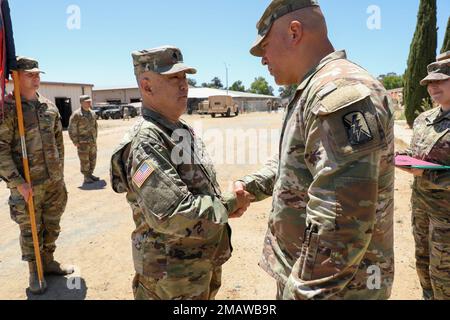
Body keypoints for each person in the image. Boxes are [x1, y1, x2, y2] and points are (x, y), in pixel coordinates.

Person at [234, 0, 395, 299]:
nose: (262, 59)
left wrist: (304, 294)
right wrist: (250, 187)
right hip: (311, 276)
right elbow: (298, 164)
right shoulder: (315, 88)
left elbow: (341, 222)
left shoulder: (339, 93)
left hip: (338, 290)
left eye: (265, 46)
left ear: (294, 32)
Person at [110, 46, 253, 300]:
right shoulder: (146, 140)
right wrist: (229, 203)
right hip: (171, 279)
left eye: (185, 78)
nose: (184, 85)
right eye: (173, 78)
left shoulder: (179, 129)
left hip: (195, 269)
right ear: (147, 86)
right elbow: (171, 214)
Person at [0, 57, 73, 295]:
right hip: (27, 184)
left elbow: (58, 142)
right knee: (31, 228)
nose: (36, 78)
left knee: (52, 224)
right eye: (30, 74)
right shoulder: (8, 109)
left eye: (37, 74)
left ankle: (48, 261)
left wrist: (59, 173)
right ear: (15, 77)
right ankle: (35, 270)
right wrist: (17, 182)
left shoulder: (48, 107)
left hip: (53, 182)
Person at [399, 51, 450, 300]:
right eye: (430, 82)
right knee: (423, 266)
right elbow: (416, 152)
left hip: (447, 219)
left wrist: (426, 174)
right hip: (421, 210)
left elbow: (426, 168)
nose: (433, 86)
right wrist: (400, 156)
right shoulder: (424, 119)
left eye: (440, 80)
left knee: (445, 278)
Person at [68, 95, 100, 184]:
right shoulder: (77, 114)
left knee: (93, 159)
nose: (89, 103)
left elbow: (95, 126)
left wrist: (95, 138)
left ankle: (90, 174)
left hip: (92, 141)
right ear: (81, 103)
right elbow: (71, 128)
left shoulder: (92, 113)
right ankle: (86, 177)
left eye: (89, 101)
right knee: (84, 160)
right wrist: (75, 141)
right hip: (82, 142)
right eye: (87, 102)